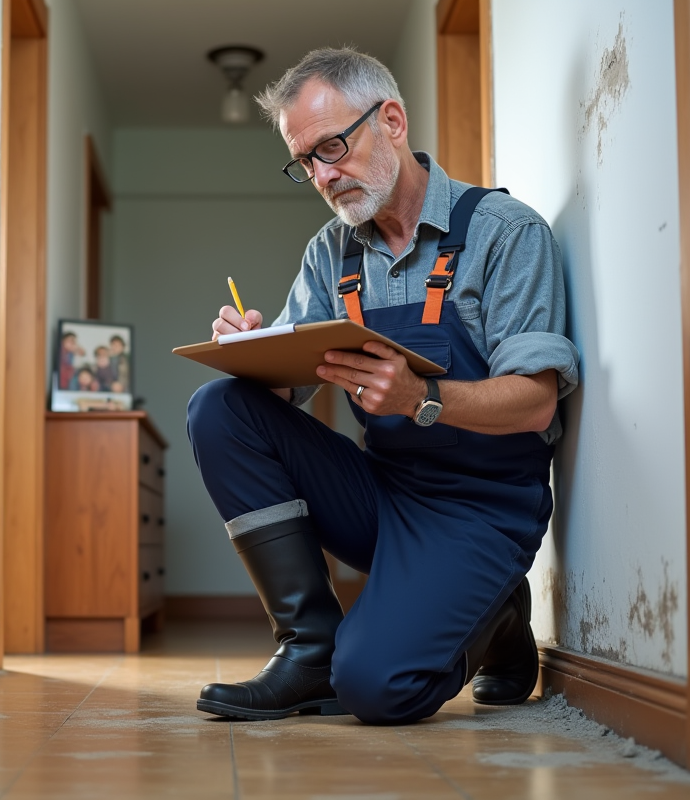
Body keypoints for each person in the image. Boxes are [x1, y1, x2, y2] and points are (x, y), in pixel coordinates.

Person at [186, 47, 579, 725]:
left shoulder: (506, 235)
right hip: (382, 495)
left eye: (331, 147)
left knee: (376, 688)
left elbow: (537, 401)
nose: (322, 175)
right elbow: (279, 399)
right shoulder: (329, 253)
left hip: (481, 511)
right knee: (221, 407)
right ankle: (308, 647)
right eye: (305, 161)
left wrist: (421, 399)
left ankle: (500, 618)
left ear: (391, 120)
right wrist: (250, 355)